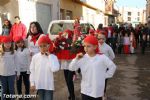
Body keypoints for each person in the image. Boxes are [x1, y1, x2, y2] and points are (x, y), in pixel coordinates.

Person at [69, 35, 116, 100]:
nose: (85, 48)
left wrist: (104, 75)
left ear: (95, 46)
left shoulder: (102, 57)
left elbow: (112, 67)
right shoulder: (82, 58)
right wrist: (76, 59)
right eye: (84, 46)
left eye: (88, 46)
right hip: (85, 90)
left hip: (97, 91)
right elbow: (71, 68)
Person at [30, 34, 60, 100]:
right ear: (38, 47)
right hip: (39, 85)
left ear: (48, 45)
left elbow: (54, 69)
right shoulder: (35, 57)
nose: (43, 48)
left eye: (44, 46)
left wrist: (49, 57)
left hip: (48, 86)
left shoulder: (53, 57)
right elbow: (32, 71)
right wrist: (32, 83)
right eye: (40, 46)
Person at [54, 30, 76, 100]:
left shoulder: (72, 41)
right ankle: (71, 94)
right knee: (67, 80)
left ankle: (72, 96)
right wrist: (57, 41)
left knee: (69, 80)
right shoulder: (61, 41)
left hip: (71, 62)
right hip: (64, 62)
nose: (65, 34)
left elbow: (75, 49)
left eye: (66, 33)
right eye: (64, 33)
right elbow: (56, 47)